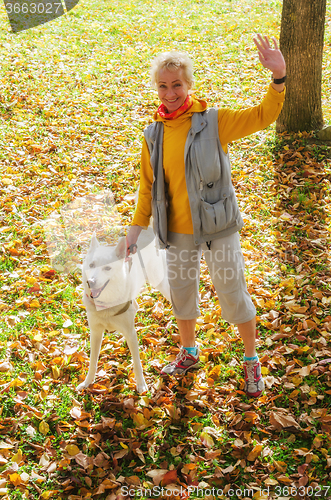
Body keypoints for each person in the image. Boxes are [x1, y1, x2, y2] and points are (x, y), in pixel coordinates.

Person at [126, 34, 286, 397]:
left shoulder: (214, 122)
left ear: (189, 84)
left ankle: (250, 360)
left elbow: (262, 116)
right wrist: (135, 229)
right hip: (177, 231)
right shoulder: (153, 134)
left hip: (217, 227)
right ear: (156, 88)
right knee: (182, 294)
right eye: (164, 86)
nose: (170, 93)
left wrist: (278, 79)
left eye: (177, 85)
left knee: (232, 292)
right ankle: (189, 352)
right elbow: (147, 188)